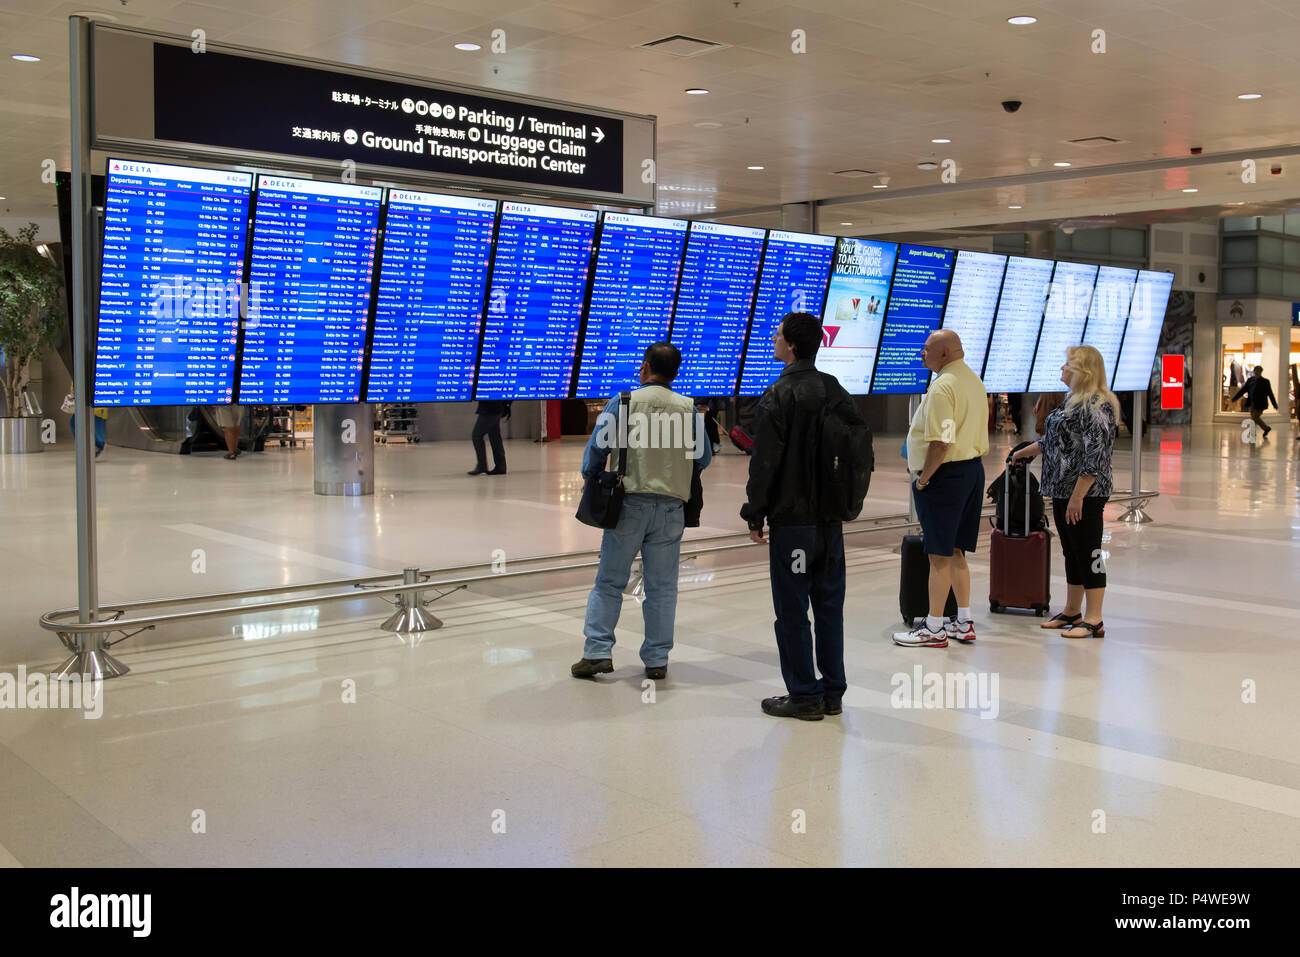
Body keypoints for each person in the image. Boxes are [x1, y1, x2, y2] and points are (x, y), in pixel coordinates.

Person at [741, 312, 866, 721]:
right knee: (830, 607)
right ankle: (833, 692)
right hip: (830, 523)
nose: (773, 340)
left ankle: (803, 694)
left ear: (792, 345)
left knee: (793, 611)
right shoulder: (836, 391)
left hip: (793, 522)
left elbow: (765, 463)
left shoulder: (777, 395)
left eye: (777, 335)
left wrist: (754, 512)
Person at [571, 343, 711, 681]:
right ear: (675, 373)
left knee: (609, 581)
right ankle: (657, 659)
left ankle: (597, 652)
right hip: (671, 509)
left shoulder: (624, 402)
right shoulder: (688, 409)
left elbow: (596, 450)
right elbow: (703, 458)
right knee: (662, 587)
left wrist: (589, 476)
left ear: (645, 366)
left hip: (627, 505)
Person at [1011, 345, 1119, 639]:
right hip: (1061, 488)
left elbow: (1094, 456)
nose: (1061, 369)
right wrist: (1025, 452)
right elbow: (1054, 442)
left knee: (1090, 551)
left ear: (1082, 371)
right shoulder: (1072, 401)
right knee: (1071, 552)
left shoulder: (1097, 406)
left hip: (1086, 494)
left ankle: (1095, 618)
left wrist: (1078, 497)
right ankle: (1073, 610)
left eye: (1067, 364)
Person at [893, 329, 989, 648]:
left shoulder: (943, 386)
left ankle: (934, 627)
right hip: (972, 471)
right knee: (958, 550)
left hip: (946, 477)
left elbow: (941, 441)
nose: (922, 354)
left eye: (927, 349)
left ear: (945, 353)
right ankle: (963, 620)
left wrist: (923, 479)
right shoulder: (973, 381)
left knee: (938, 554)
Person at [1231, 365, 1279, 439]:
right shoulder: (1250, 380)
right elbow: (1243, 390)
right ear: (1254, 371)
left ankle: (1258, 431)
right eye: (1256, 371)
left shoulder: (1265, 382)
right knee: (1253, 418)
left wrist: (1274, 404)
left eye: (1258, 371)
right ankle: (1263, 429)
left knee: (1255, 417)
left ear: (1261, 372)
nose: (1257, 372)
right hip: (1252, 403)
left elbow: (1270, 394)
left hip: (1260, 403)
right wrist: (1235, 398)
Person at [469, 400, 510, 475]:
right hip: (497, 408)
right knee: (495, 437)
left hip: (489, 409)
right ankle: (500, 466)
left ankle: (482, 466)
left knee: (477, 436)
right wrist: (507, 406)